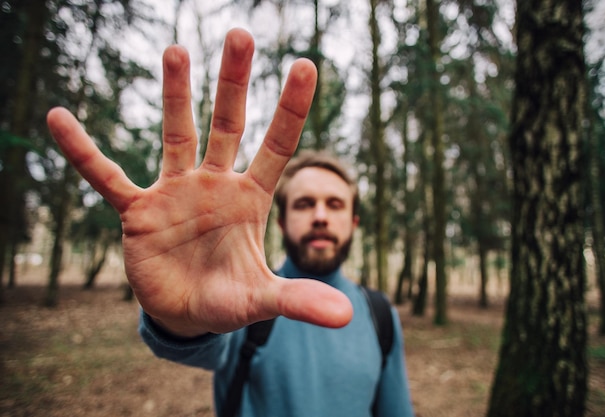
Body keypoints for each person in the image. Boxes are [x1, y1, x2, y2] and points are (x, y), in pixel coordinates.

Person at [47, 28, 414, 417]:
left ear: (354, 222)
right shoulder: (245, 298)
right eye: (305, 204)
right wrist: (180, 320)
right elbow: (202, 344)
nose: (321, 216)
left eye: (335, 204)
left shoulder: (379, 314)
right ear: (283, 220)